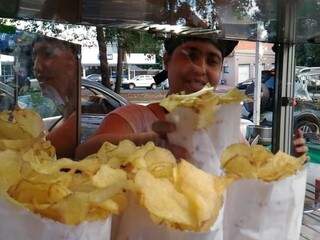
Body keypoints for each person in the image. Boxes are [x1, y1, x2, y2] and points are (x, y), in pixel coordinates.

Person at [75, 35, 307, 160]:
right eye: (191, 55)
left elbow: (247, 167)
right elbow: (83, 154)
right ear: (167, 61)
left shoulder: (224, 127)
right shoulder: (135, 117)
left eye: (212, 61)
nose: (200, 69)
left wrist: (289, 160)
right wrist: (152, 140)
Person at [33, 37, 79, 158]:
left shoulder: (76, 121)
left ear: (74, 60)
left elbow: (37, 158)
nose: (37, 67)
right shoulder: (69, 112)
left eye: (48, 54)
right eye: (35, 56)